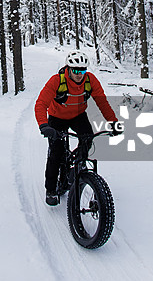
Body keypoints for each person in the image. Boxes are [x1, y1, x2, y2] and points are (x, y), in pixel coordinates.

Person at [35, 50, 119, 205]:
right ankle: (51, 189)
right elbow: (41, 104)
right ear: (69, 68)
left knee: (88, 139)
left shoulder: (90, 80)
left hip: (77, 115)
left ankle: (76, 168)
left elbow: (102, 102)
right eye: (76, 70)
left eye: (83, 70)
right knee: (56, 152)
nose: (79, 74)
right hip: (57, 118)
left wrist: (113, 122)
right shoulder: (57, 81)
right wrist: (44, 125)